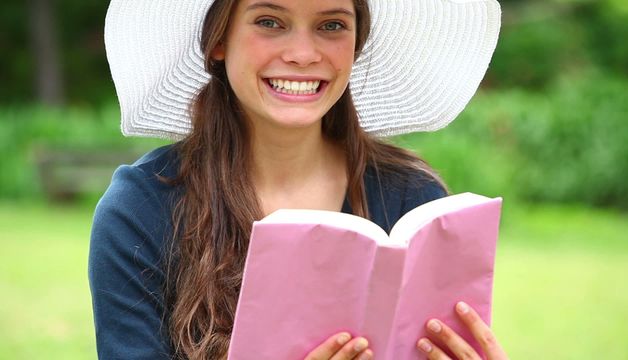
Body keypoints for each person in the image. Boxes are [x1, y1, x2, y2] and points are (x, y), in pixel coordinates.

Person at [90, 0, 508, 359]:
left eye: (332, 25)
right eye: (270, 21)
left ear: (356, 46)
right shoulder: (140, 209)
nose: (303, 54)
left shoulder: (412, 198)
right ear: (218, 41)